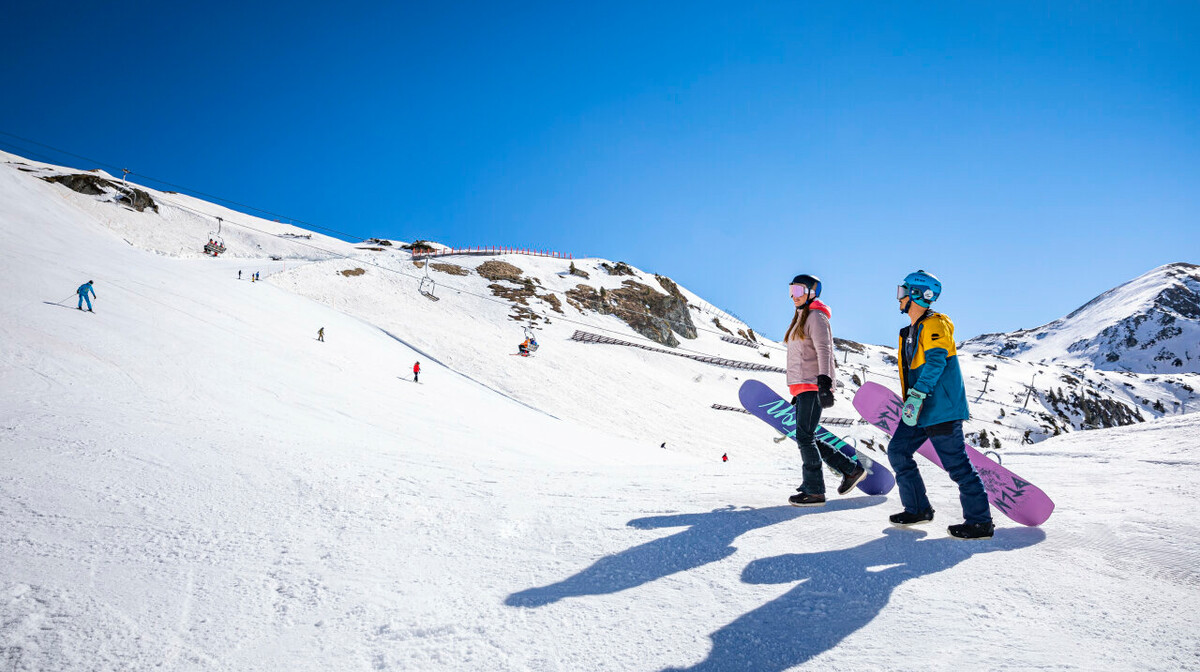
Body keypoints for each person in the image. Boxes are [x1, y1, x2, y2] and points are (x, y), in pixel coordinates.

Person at [887, 270, 994, 539]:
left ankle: (980, 523)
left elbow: (937, 362)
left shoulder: (936, 323)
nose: (898, 298)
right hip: (920, 409)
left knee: (957, 466)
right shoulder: (911, 330)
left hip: (940, 409)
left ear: (916, 295)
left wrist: (918, 394)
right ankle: (918, 509)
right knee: (898, 451)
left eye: (902, 292)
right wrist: (913, 399)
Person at [785, 274, 866, 507]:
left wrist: (824, 383)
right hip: (803, 387)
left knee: (805, 437)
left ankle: (815, 491)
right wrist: (797, 391)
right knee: (807, 437)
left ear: (811, 292)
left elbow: (824, 350)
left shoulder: (817, 316)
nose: (793, 295)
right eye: (791, 290)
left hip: (813, 385)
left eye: (798, 290)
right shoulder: (801, 317)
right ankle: (850, 470)